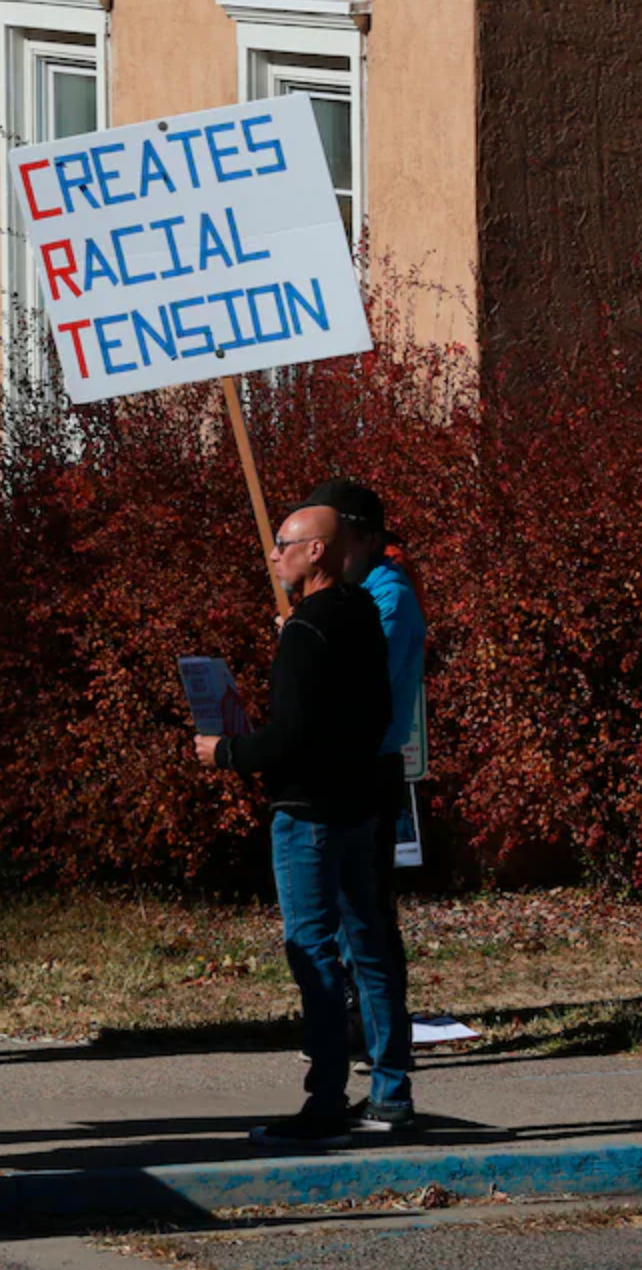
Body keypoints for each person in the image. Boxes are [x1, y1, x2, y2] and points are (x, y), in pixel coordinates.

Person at [194, 504, 413, 1145]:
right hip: (357, 803)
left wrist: (226, 752)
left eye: (284, 544)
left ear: (317, 552)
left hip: (307, 810)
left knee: (312, 952)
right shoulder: (363, 615)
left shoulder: (307, 630)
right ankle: (392, 1093)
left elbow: (291, 736)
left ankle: (324, 1102)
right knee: (369, 946)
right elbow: (372, 716)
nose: (273, 554)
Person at [302, 479, 426, 1090]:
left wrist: (309, 644)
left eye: (340, 539)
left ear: (368, 538)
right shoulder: (350, 595)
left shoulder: (388, 596)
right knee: (343, 921)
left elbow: (359, 676)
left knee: (367, 924)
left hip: (369, 769)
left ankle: (385, 1060)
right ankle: (358, 1036)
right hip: (340, 768)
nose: (329, 552)